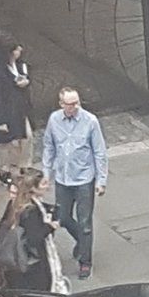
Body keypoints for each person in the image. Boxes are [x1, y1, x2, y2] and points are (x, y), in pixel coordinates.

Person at [42, 87, 108, 280]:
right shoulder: (54, 120)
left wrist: (101, 180)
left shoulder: (90, 121)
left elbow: (99, 152)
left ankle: (85, 261)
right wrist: (47, 173)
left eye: (77, 103)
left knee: (85, 221)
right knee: (62, 216)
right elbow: (48, 146)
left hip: (84, 178)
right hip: (63, 177)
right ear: (61, 104)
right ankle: (82, 240)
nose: (75, 107)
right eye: (70, 104)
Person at [0, 169, 63, 291]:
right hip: (33, 264)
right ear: (33, 188)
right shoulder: (31, 211)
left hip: (19, 263)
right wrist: (50, 227)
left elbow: (2, 225)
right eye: (43, 184)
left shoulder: (19, 205)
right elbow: (34, 238)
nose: (48, 186)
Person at [0, 35, 33, 172]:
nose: (19, 50)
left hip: (19, 109)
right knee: (6, 143)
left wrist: (24, 83)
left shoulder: (20, 64)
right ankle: (5, 169)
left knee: (27, 137)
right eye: (15, 49)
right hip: (5, 111)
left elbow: (25, 75)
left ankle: (24, 166)